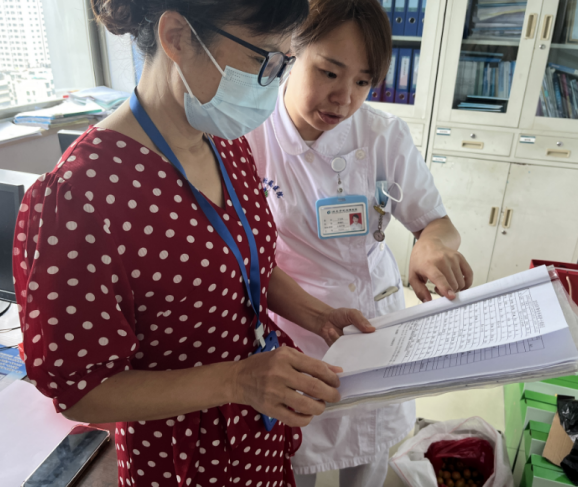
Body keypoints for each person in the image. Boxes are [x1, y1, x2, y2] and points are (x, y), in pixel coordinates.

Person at [11, 1, 376, 486]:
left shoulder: (224, 141)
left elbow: (246, 265)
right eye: (261, 59)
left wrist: (318, 315)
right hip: (179, 457)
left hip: (256, 431)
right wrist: (236, 380)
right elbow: (81, 390)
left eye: (285, 63)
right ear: (178, 37)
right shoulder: (82, 196)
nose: (274, 82)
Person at [245, 0, 474, 485]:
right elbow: (244, 256)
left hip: (373, 322)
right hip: (293, 324)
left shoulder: (382, 135)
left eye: (363, 82)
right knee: (295, 458)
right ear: (290, 53)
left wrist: (430, 245)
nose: (343, 99)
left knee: (368, 456)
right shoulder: (250, 135)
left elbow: (437, 222)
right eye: (329, 73)